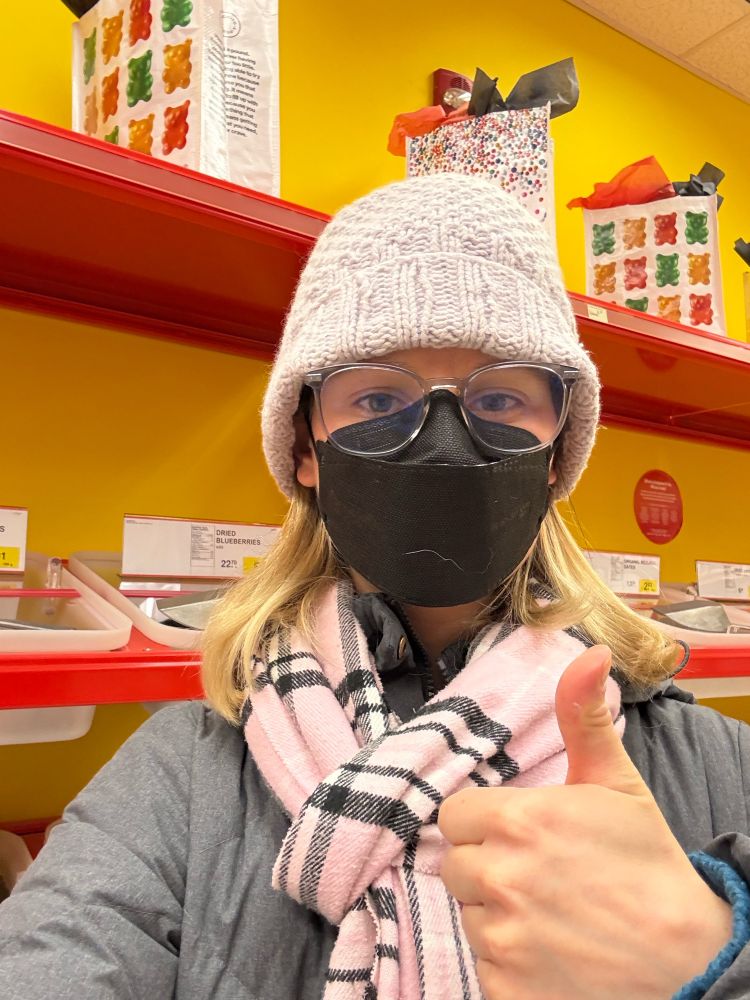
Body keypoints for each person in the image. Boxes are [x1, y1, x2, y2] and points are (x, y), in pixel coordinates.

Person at [0, 172, 749, 1000]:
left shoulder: (720, 764)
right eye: (380, 396)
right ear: (306, 447)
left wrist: (713, 960)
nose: (442, 440)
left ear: (555, 449)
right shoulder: (182, 780)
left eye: (500, 396)